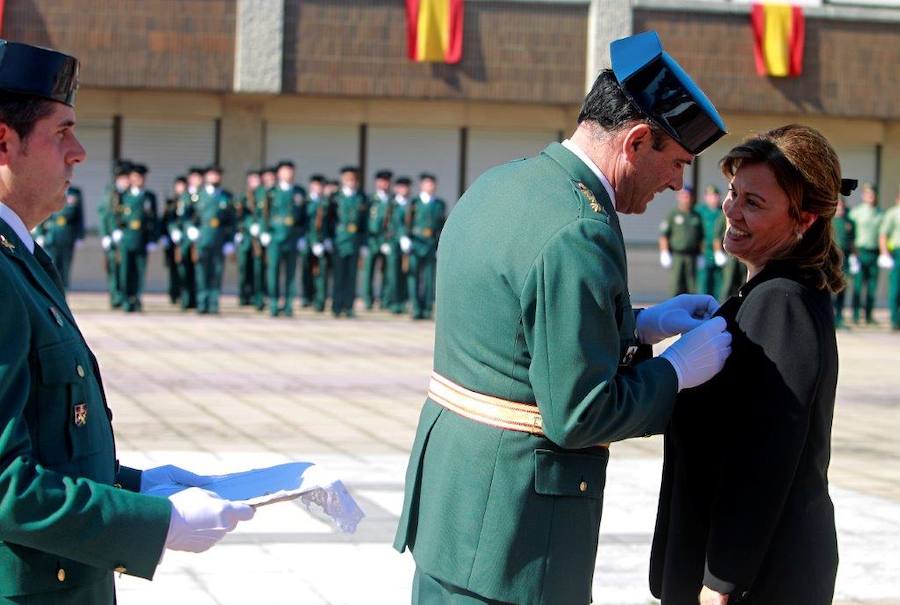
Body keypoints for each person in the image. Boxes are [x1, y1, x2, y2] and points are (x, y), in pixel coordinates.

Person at [394, 31, 732, 604]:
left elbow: (518, 327)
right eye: (676, 162)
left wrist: (638, 324)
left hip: (454, 505)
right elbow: (578, 414)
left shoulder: (503, 183)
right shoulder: (582, 227)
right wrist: (675, 371)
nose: (678, 182)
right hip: (514, 533)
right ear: (637, 140)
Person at [0, 39, 254, 605]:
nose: (80, 152)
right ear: (3, 142)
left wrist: (141, 487)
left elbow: (49, 439)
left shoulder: (23, 257)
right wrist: (156, 526)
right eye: (61, 132)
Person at [650, 125, 848, 605]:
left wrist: (721, 581)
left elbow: (765, 457)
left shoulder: (780, 300)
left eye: (753, 203)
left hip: (757, 577)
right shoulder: (768, 291)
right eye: (734, 194)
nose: (732, 212)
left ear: (804, 219)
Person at [263, 160, 306, 317]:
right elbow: (264, 214)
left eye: (290, 171)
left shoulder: (299, 192)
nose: (288, 174)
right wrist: (264, 231)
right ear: (279, 174)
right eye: (284, 171)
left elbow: (304, 217)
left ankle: (288, 305)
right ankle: (273, 303)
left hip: (293, 237)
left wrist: (302, 236)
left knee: (291, 273)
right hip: (275, 236)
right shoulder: (271, 192)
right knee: (273, 271)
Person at [192, 165, 234, 314]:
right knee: (202, 271)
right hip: (202, 237)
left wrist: (230, 241)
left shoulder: (226, 196)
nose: (215, 178)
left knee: (217, 271)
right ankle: (202, 302)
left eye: (217, 175)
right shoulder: (197, 195)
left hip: (219, 238)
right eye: (211, 175)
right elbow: (188, 216)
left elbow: (232, 220)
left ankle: (214, 302)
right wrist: (191, 228)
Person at [403, 173, 445, 319]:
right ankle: (415, 307)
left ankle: (427, 308)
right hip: (415, 243)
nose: (430, 186)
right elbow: (406, 222)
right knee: (413, 276)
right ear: (422, 185)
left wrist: (440, 245)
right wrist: (406, 238)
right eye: (427, 184)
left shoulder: (439, 204)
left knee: (428, 278)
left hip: (430, 244)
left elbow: (441, 225)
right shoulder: (414, 203)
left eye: (432, 184)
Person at [118, 163, 158, 312]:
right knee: (126, 270)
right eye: (136, 176)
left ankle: (137, 298)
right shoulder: (123, 195)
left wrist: (153, 239)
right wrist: (117, 230)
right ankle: (126, 300)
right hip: (127, 237)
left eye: (141, 177)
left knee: (140, 270)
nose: (139, 179)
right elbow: (116, 215)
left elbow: (154, 219)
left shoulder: (149, 197)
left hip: (142, 238)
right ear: (131, 178)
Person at [32, 185, 84, 290]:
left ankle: (63, 293)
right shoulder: (50, 189)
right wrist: (40, 233)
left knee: (65, 267)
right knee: (52, 266)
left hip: (67, 236)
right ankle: (52, 292)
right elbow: (42, 212)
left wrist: (80, 236)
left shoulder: (75, 192)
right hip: (52, 236)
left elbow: (80, 216)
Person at [331, 166, 367, 318]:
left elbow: (364, 223)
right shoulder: (335, 198)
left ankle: (349, 306)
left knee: (352, 276)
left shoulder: (361, 198)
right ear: (342, 180)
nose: (350, 182)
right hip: (339, 241)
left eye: (353, 179)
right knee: (338, 275)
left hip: (354, 241)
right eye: (347, 179)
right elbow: (329, 220)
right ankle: (337, 306)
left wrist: (364, 242)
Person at [659, 185, 704, 296]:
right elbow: (664, 235)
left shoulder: (696, 215)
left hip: (692, 256)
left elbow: (701, 237)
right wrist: (664, 252)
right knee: (676, 286)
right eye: (683, 196)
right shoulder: (673, 215)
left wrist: (701, 255)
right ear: (678, 197)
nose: (685, 198)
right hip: (677, 256)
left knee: (692, 286)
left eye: (687, 196)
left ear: (691, 198)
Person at [848, 183, 883, 325]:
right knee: (857, 285)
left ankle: (868, 315)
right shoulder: (856, 213)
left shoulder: (880, 213)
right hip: (859, 252)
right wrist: (852, 252)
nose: (871, 197)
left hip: (874, 252)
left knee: (872, 286)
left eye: (873, 194)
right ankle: (856, 315)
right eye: (868, 194)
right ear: (863, 196)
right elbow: (850, 233)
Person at [98, 160, 131, 309]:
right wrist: (105, 234)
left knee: (124, 269)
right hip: (111, 237)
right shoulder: (111, 192)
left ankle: (123, 296)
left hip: (124, 237)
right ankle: (115, 296)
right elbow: (104, 214)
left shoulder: (128, 193)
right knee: (113, 268)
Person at [300, 174, 333, 312]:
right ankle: (307, 297)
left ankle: (320, 301)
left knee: (322, 273)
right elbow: (302, 222)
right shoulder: (305, 202)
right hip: (308, 242)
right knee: (306, 271)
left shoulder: (327, 203)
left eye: (321, 186)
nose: (318, 188)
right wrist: (307, 240)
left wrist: (327, 239)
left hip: (322, 242)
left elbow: (331, 223)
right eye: (315, 185)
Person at [362, 169, 394, 310]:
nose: (384, 183)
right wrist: (364, 242)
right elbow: (364, 222)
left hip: (387, 240)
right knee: (368, 272)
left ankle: (385, 300)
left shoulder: (392, 201)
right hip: (371, 241)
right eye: (381, 180)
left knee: (387, 272)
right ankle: (368, 300)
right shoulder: (370, 200)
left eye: (386, 181)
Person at [384, 176, 412, 314]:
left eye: (406, 187)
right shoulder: (392, 205)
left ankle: (402, 301)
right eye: (401, 187)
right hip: (394, 243)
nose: (404, 190)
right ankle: (393, 302)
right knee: (393, 274)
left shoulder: (411, 204)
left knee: (405, 273)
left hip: (407, 244)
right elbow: (389, 223)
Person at [235, 170, 260, 306]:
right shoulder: (242, 197)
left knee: (257, 268)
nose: (254, 183)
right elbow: (238, 216)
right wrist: (240, 230)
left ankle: (257, 296)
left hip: (258, 238)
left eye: (256, 180)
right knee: (244, 268)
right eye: (251, 180)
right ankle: (243, 295)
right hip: (245, 237)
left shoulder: (263, 196)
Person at [160, 176, 186, 304]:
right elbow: (165, 221)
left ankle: (184, 293)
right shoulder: (171, 203)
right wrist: (165, 236)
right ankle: (173, 293)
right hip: (172, 242)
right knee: (173, 269)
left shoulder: (190, 200)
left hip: (185, 240)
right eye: (178, 186)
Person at [697, 185, 726, 296]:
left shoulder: (723, 211)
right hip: (704, 251)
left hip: (720, 251)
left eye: (715, 196)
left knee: (719, 282)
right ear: (705, 198)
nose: (713, 198)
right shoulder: (699, 211)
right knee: (703, 281)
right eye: (710, 196)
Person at [831, 196, 855, 328]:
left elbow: (852, 241)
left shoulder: (849, 222)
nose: (840, 208)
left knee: (842, 288)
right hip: (830, 260)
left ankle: (839, 318)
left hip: (845, 259)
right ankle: (830, 316)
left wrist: (855, 257)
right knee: (829, 289)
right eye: (837, 205)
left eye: (842, 205)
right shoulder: (829, 221)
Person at [879, 186, 900, 330]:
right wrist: (885, 252)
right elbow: (883, 234)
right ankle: (894, 319)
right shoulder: (893, 213)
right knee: (896, 287)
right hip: (897, 252)